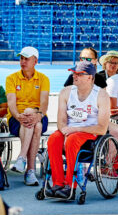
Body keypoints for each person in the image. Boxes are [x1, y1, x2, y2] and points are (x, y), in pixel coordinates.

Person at [47, 62, 110, 199]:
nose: (74, 76)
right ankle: (57, 183)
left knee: (72, 139)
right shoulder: (66, 92)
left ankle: (70, 185)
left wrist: (76, 129)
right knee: (53, 139)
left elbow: (102, 128)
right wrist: (65, 131)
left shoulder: (102, 95)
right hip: (68, 130)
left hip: (90, 133)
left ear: (90, 77)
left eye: (79, 74)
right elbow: (61, 122)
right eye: (74, 73)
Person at [6, 46, 49, 186]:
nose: (23, 61)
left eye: (26, 59)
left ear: (35, 61)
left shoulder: (43, 79)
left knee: (32, 114)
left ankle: (21, 158)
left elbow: (44, 103)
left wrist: (38, 115)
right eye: (21, 58)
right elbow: (11, 103)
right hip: (16, 118)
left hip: (38, 115)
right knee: (37, 127)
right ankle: (30, 171)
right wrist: (18, 116)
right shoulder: (11, 78)